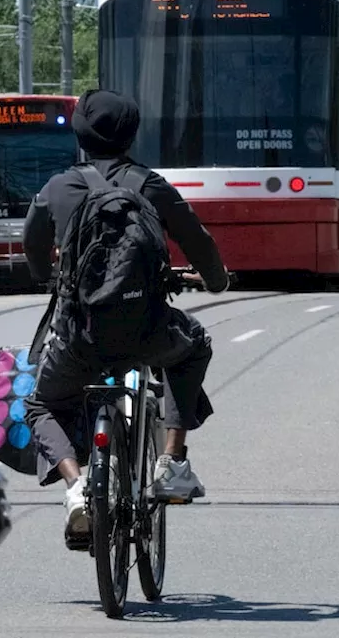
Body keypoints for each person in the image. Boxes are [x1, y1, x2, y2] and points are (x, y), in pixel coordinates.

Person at [22, 89, 230, 546]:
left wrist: (47, 278)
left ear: (80, 134)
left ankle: (76, 486)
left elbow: (33, 244)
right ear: (132, 135)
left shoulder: (58, 187)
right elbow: (198, 241)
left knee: (40, 403)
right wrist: (216, 281)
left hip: (80, 335)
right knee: (194, 346)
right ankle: (172, 463)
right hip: (147, 330)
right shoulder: (151, 186)